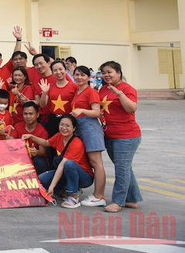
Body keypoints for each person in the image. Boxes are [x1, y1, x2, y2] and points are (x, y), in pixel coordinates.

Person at [98, 60, 142, 213]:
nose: (106, 75)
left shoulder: (127, 89)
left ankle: (118, 201)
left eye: (109, 72)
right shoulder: (103, 89)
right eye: (103, 73)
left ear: (118, 73)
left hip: (127, 136)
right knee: (125, 167)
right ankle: (132, 199)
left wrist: (120, 94)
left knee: (121, 168)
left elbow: (131, 108)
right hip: (109, 135)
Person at [25, 115, 94, 209]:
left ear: (74, 128)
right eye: (62, 125)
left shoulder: (77, 143)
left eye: (67, 126)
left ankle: (73, 196)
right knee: (41, 180)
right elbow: (46, 143)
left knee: (69, 164)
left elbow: (62, 165)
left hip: (84, 177)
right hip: (65, 172)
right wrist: (31, 137)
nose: (64, 128)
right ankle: (63, 191)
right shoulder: (59, 136)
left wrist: (51, 187)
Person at [70, 65, 107, 207]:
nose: (79, 77)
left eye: (82, 75)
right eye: (77, 74)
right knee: (90, 162)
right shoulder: (78, 91)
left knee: (96, 162)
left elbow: (97, 112)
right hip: (81, 128)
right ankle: (96, 194)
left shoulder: (91, 92)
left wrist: (82, 110)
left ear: (88, 77)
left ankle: (99, 196)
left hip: (90, 128)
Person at [38, 60, 77, 136]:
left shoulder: (74, 87)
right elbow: (43, 105)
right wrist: (44, 93)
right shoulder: (50, 86)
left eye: (60, 69)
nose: (58, 72)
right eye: (55, 70)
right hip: (53, 120)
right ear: (52, 73)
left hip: (69, 120)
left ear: (65, 70)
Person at [11, 101, 50, 174]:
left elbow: (43, 152)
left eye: (31, 114)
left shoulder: (42, 131)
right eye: (25, 114)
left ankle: (39, 180)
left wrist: (36, 152)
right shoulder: (17, 126)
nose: (28, 116)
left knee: (40, 161)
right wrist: (6, 136)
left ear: (37, 115)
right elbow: (11, 142)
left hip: (35, 160)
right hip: (19, 158)